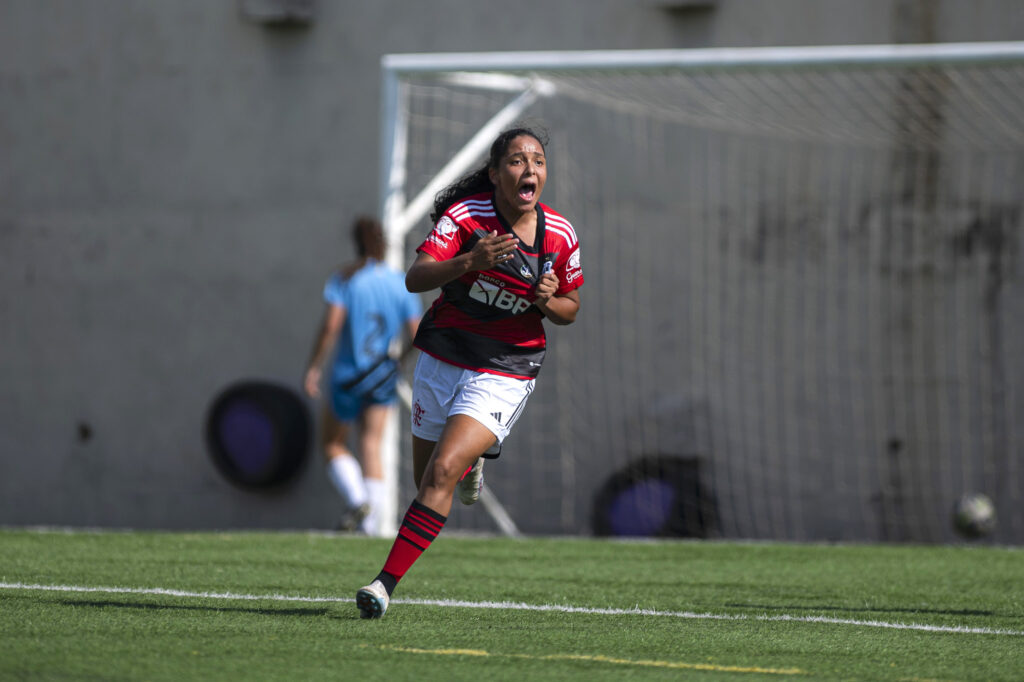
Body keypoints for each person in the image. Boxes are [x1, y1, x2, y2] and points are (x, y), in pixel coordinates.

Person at [355, 126, 584, 618]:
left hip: (506, 367)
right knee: (427, 483)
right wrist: (468, 261)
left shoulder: (559, 234)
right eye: (518, 161)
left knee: (442, 471)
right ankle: (471, 459)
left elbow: (571, 308)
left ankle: (383, 586)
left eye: (538, 160)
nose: (531, 169)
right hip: (444, 355)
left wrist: (549, 302)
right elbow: (414, 277)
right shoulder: (467, 217)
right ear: (496, 174)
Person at [304, 216, 421, 535]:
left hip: (348, 376)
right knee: (371, 444)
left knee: (332, 443)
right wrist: (399, 361)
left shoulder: (345, 278)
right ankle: (371, 529)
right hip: (382, 376)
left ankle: (357, 501)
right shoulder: (401, 282)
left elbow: (330, 327)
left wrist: (314, 366)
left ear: (356, 243)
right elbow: (416, 333)